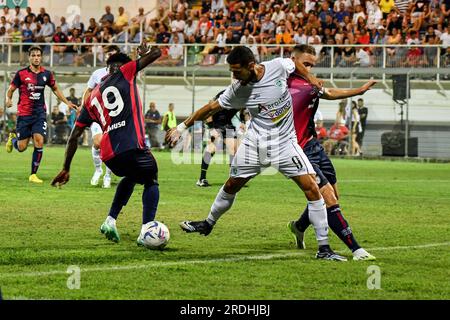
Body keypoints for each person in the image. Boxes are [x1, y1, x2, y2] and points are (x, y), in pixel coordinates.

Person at [167, 46, 346, 261]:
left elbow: (295, 63)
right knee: (232, 185)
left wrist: (311, 77)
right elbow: (211, 108)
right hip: (254, 145)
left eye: (236, 71)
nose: (233, 76)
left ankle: (324, 248)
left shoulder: (277, 66)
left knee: (311, 188)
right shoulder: (237, 89)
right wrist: (180, 128)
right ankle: (208, 223)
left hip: (284, 145)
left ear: (251, 66)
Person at [51, 43, 162, 245]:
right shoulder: (126, 72)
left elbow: (74, 135)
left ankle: (110, 220)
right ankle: (147, 229)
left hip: (109, 155)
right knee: (151, 178)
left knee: (132, 175)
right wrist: (145, 54)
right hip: (132, 145)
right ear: (121, 67)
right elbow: (157, 52)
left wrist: (66, 167)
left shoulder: (92, 97)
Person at [288, 45, 376, 260]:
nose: (308, 68)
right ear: (292, 60)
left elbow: (330, 93)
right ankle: (356, 249)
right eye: (305, 64)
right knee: (328, 197)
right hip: (296, 151)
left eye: (311, 65)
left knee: (334, 195)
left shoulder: (311, 84)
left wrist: (359, 91)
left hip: (313, 145)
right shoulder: (280, 84)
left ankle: (299, 226)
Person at [5, 46, 78, 183]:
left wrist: (67, 102)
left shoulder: (47, 74)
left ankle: (33, 174)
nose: (36, 57)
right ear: (29, 57)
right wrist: (8, 99)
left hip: (39, 113)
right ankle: (13, 139)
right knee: (21, 147)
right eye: (33, 55)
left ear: (41, 57)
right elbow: (11, 89)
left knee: (39, 140)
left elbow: (55, 89)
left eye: (38, 55)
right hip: (24, 114)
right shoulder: (21, 74)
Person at [81, 45, 120, 188]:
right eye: (108, 54)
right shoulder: (98, 73)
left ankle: (108, 176)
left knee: (111, 146)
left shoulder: (122, 74)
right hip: (97, 115)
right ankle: (98, 170)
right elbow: (88, 91)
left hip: (115, 116)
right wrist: (84, 107)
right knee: (97, 143)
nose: (110, 56)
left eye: (113, 54)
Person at [196, 90, 243, 187]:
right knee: (211, 149)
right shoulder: (225, 94)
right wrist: (211, 128)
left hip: (227, 124)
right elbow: (208, 109)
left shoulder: (242, 97)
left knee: (234, 149)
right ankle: (201, 178)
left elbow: (243, 109)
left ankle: (233, 179)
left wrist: (242, 120)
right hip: (216, 124)